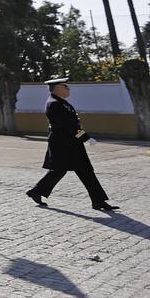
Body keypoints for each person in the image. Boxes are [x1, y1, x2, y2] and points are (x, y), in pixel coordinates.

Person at [26, 77, 118, 211]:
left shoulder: (62, 103)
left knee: (84, 171)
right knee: (60, 170)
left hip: (70, 143)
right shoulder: (54, 104)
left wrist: (82, 137)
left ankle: (98, 201)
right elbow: (70, 126)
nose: (69, 89)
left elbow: (72, 125)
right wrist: (85, 137)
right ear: (58, 88)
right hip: (63, 144)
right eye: (66, 86)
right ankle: (37, 191)